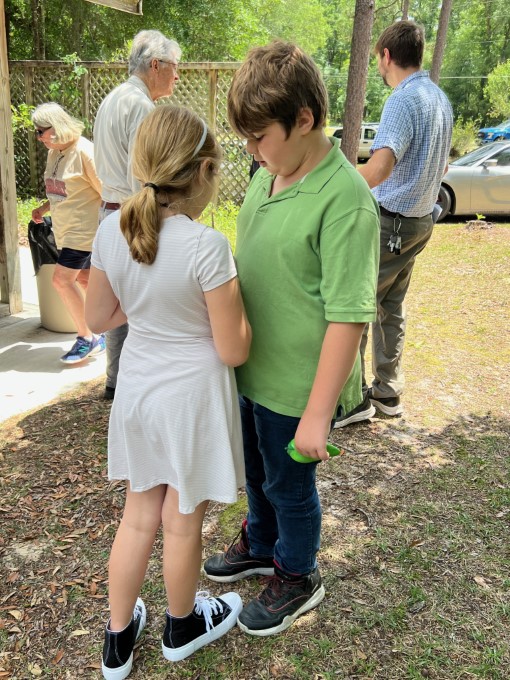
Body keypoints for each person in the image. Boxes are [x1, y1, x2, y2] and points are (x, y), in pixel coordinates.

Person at [203, 41, 380, 636]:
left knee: (289, 484)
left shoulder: (346, 199)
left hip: (298, 386)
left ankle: (298, 572)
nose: (252, 152)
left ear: (304, 119)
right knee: (256, 471)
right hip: (252, 369)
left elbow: (349, 317)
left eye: (260, 137)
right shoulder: (268, 175)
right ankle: (260, 540)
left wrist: (318, 414)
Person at [86, 105, 251, 679]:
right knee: (182, 520)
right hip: (191, 402)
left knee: (137, 517)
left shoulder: (111, 231)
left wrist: (144, 305)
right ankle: (181, 627)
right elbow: (233, 349)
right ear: (204, 171)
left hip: (138, 390)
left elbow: (98, 317)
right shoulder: (208, 246)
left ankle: (117, 640)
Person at [335, 20, 453, 426]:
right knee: (391, 307)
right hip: (420, 222)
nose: (379, 68)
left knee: (356, 303)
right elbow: (443, 165)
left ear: (386, 56)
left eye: (378, 61)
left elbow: (380, 167)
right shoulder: (439, 98)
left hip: (391, 225)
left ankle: (352, 400)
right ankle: (387, 393)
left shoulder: (403, 100)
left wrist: (337, 183)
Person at [93, 29, 181, 400]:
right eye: (174, 66)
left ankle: (116, 379)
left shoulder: (113, 98)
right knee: (142, 296)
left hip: (109, 211)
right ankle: (134, 381)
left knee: (118, 298)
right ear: (155, 64)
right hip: (132, 212)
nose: (178, 75)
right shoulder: (141, 107)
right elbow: (142, 176)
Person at [31, 102, 105, 364]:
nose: (38, 137)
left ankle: (87, 338)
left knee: (61, 281)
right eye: (37, 132)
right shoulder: (55, 152)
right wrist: (44, 208)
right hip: (64, 231)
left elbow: (107, 193)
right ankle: (101, 333)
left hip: (84, 233)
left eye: (41, 131)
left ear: (57, 126)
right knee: (84, 281)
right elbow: (63, 191)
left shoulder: (85, 152)